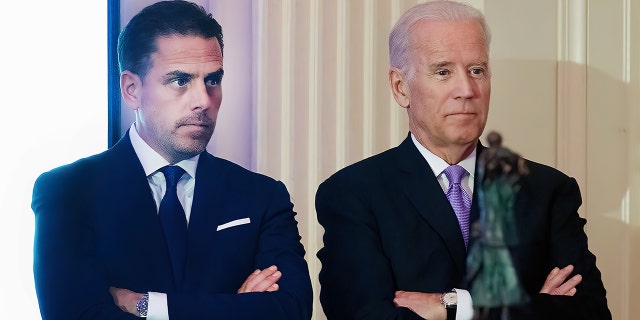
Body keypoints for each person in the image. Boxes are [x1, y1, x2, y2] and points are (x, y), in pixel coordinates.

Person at [315, 1, 610, 320]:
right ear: (401, 88)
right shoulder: (354, 194)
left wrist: (454, 306)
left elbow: (589, 312)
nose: (467, 89)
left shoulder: (547, 190)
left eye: (477, 70)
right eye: (443, 71)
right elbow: (366, 315)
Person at [31, 1, 312, 319]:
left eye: (213, 80)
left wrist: (147, 305)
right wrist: (240, 308)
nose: (203, 100)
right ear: (131, 89)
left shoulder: (261, 196)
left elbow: (291, 309)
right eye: (180, 81)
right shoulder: (68, 192)